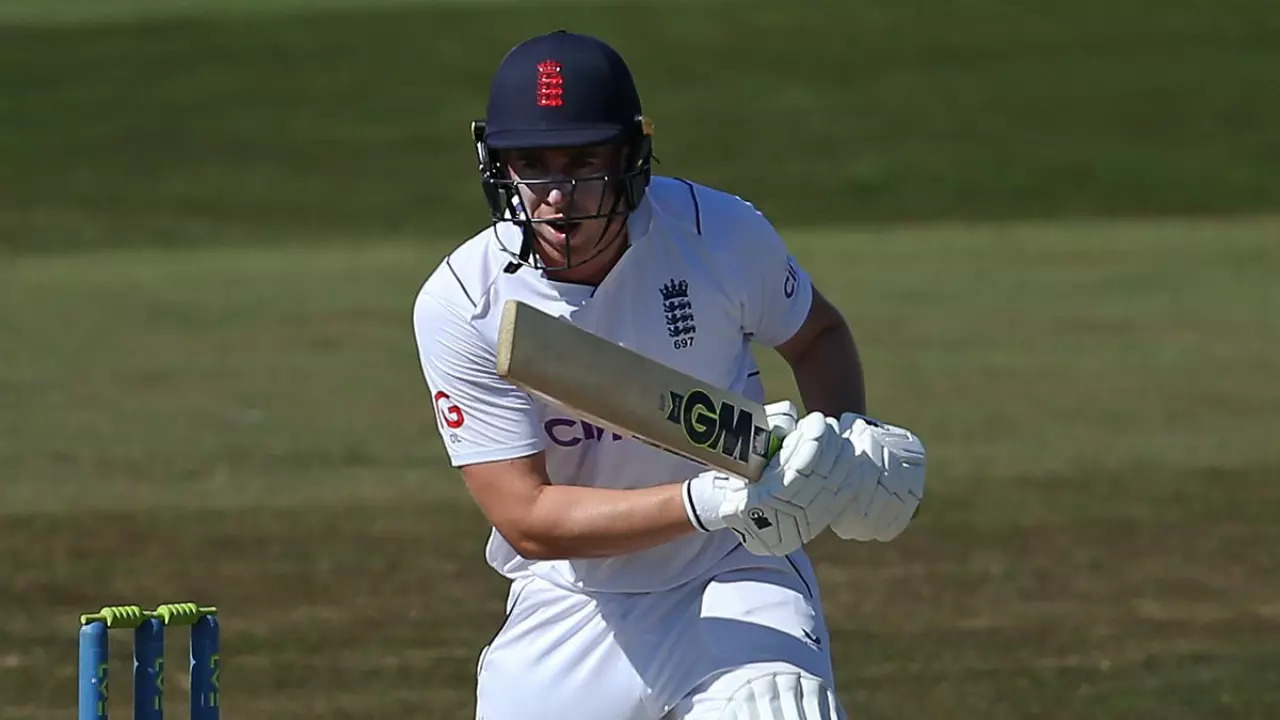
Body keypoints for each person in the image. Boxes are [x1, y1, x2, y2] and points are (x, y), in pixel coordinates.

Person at [412, 29, 926, 720]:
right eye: (532, 163)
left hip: (733, 569)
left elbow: (818, 335)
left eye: (583, 162)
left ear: (631, 158)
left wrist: (846, 443)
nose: (558, 194)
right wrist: (706, 499)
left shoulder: (717, 234)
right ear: (497, 164)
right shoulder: (464, 304)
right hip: (572, 600)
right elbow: (528, 517)